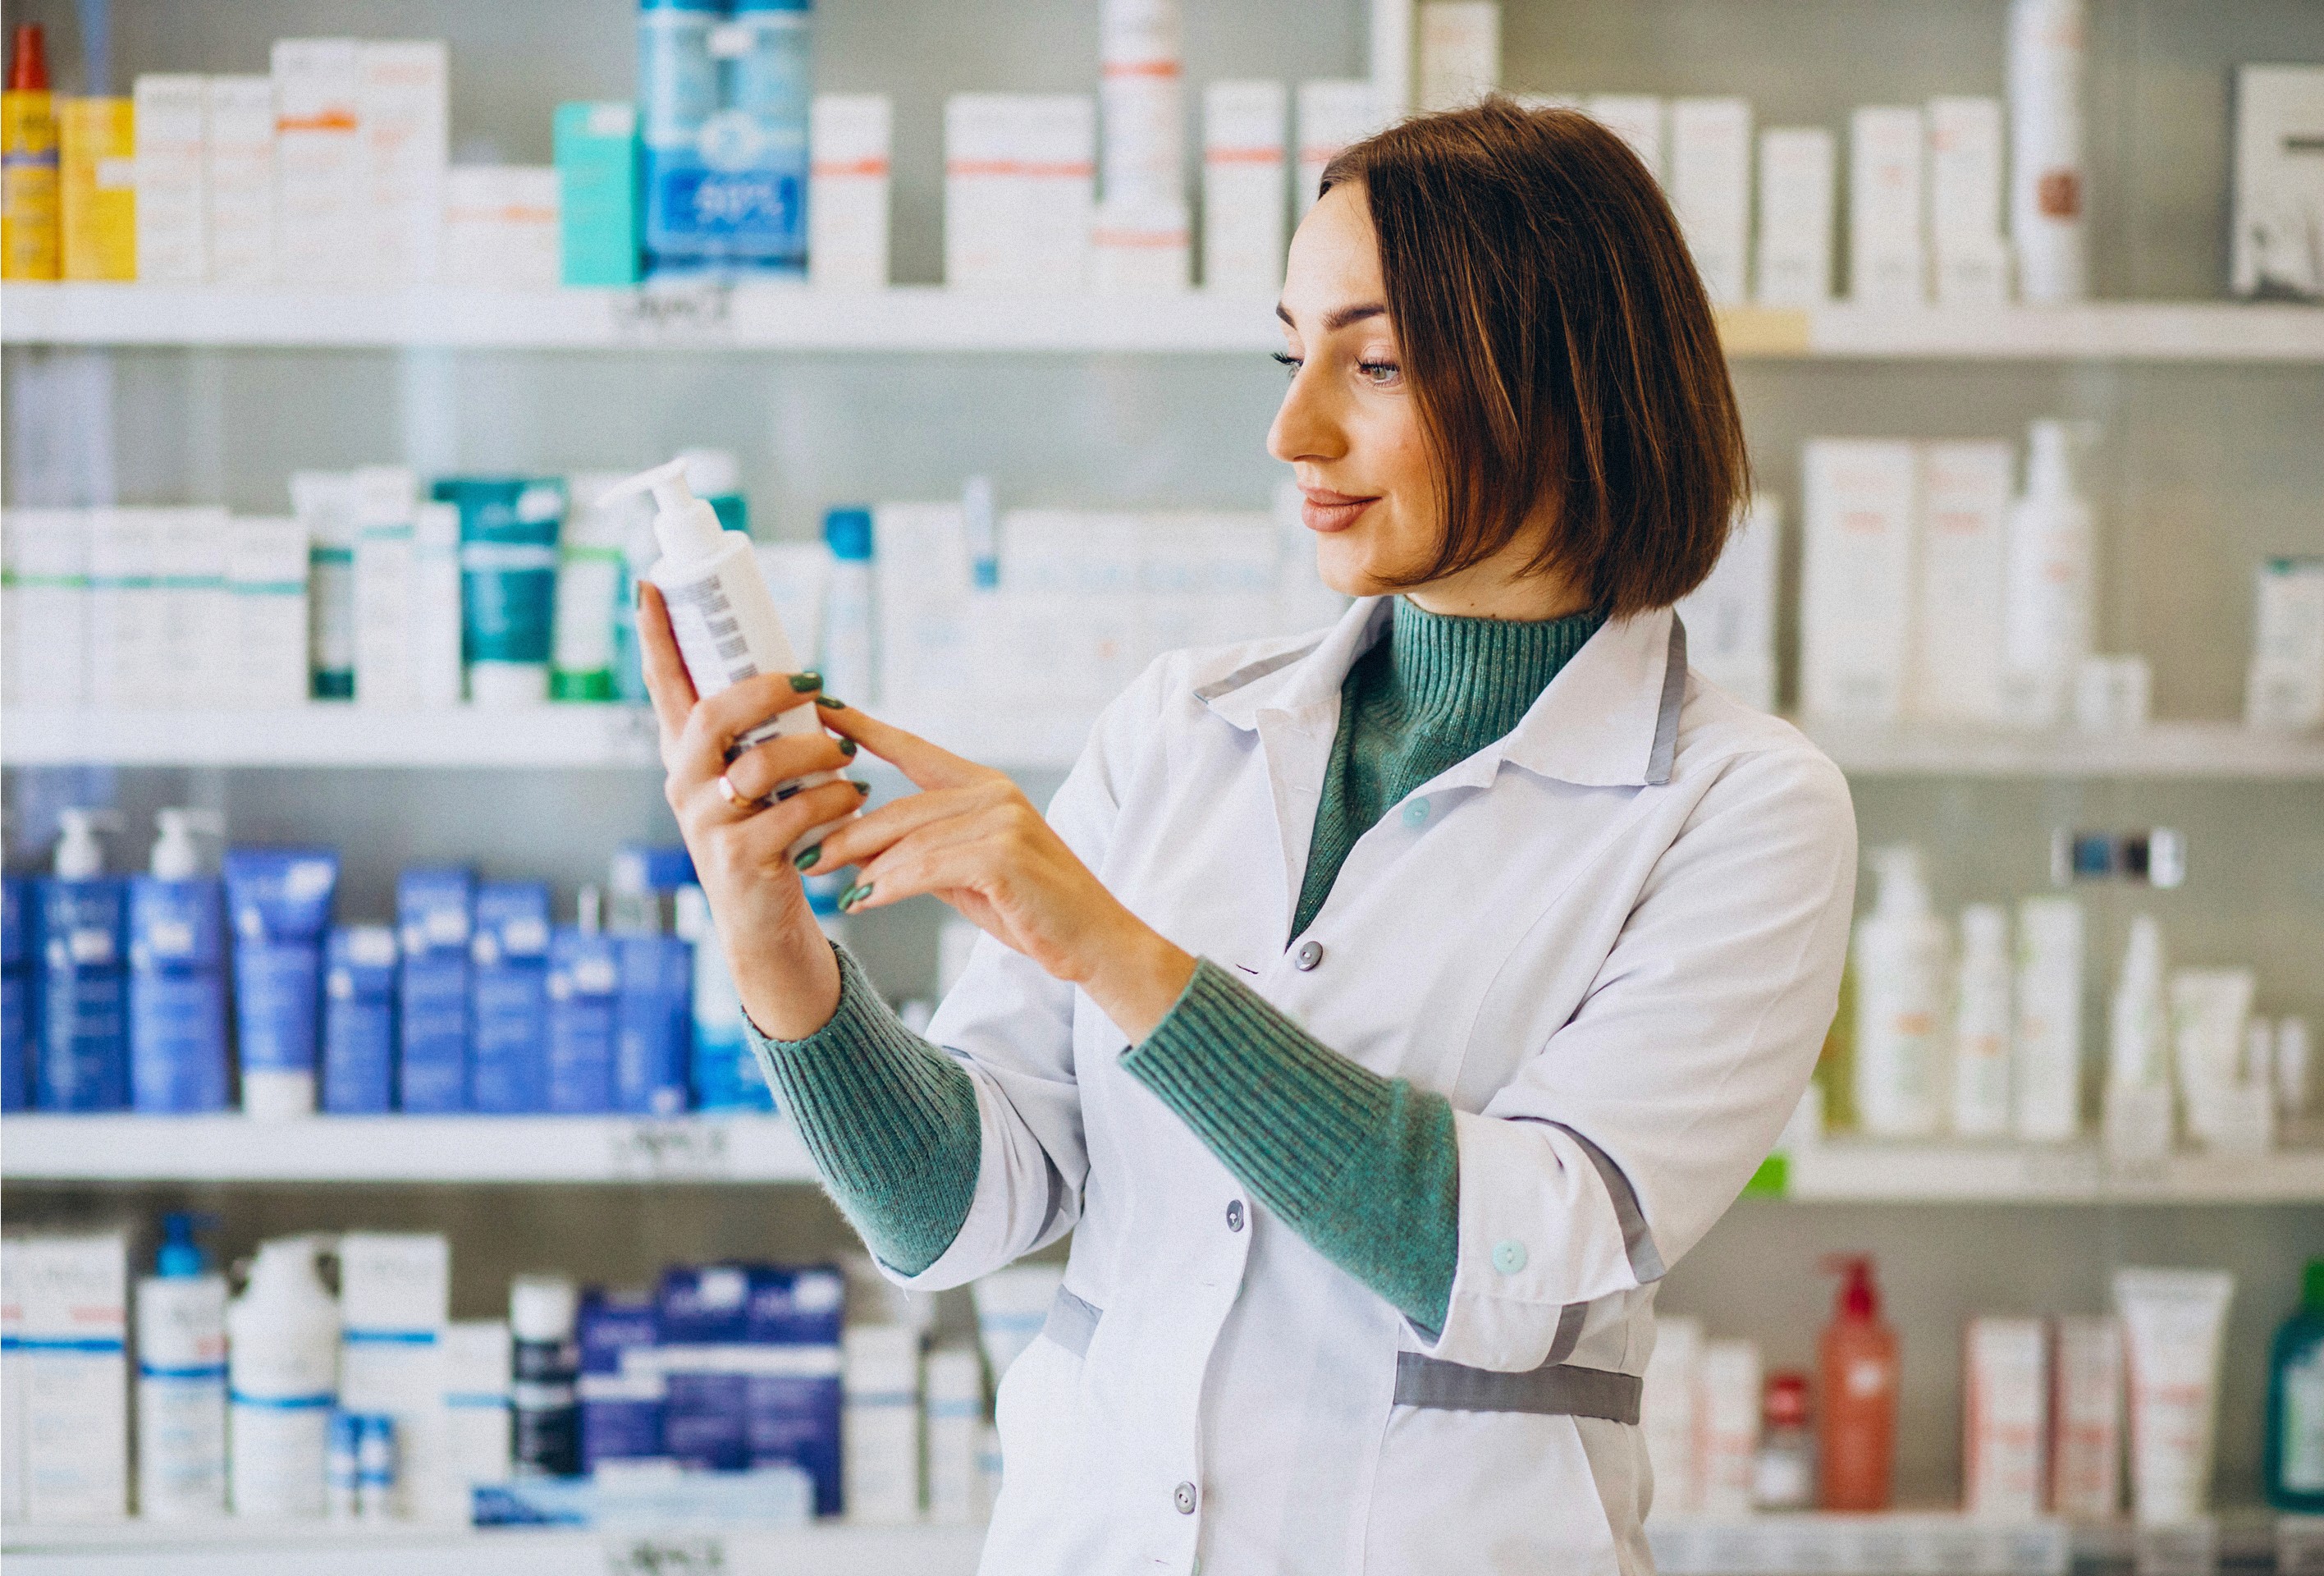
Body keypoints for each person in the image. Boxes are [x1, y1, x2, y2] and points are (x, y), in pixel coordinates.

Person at [638, 97, 1856, 1575]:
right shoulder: (1182, 725)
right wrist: (774, 943)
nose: (1293, 430)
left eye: (1378, 360)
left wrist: (1121, 958)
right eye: (1293, 353)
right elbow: (959, 1213)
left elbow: (1517, 1258)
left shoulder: (1741, 808)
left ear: (1569, 382)